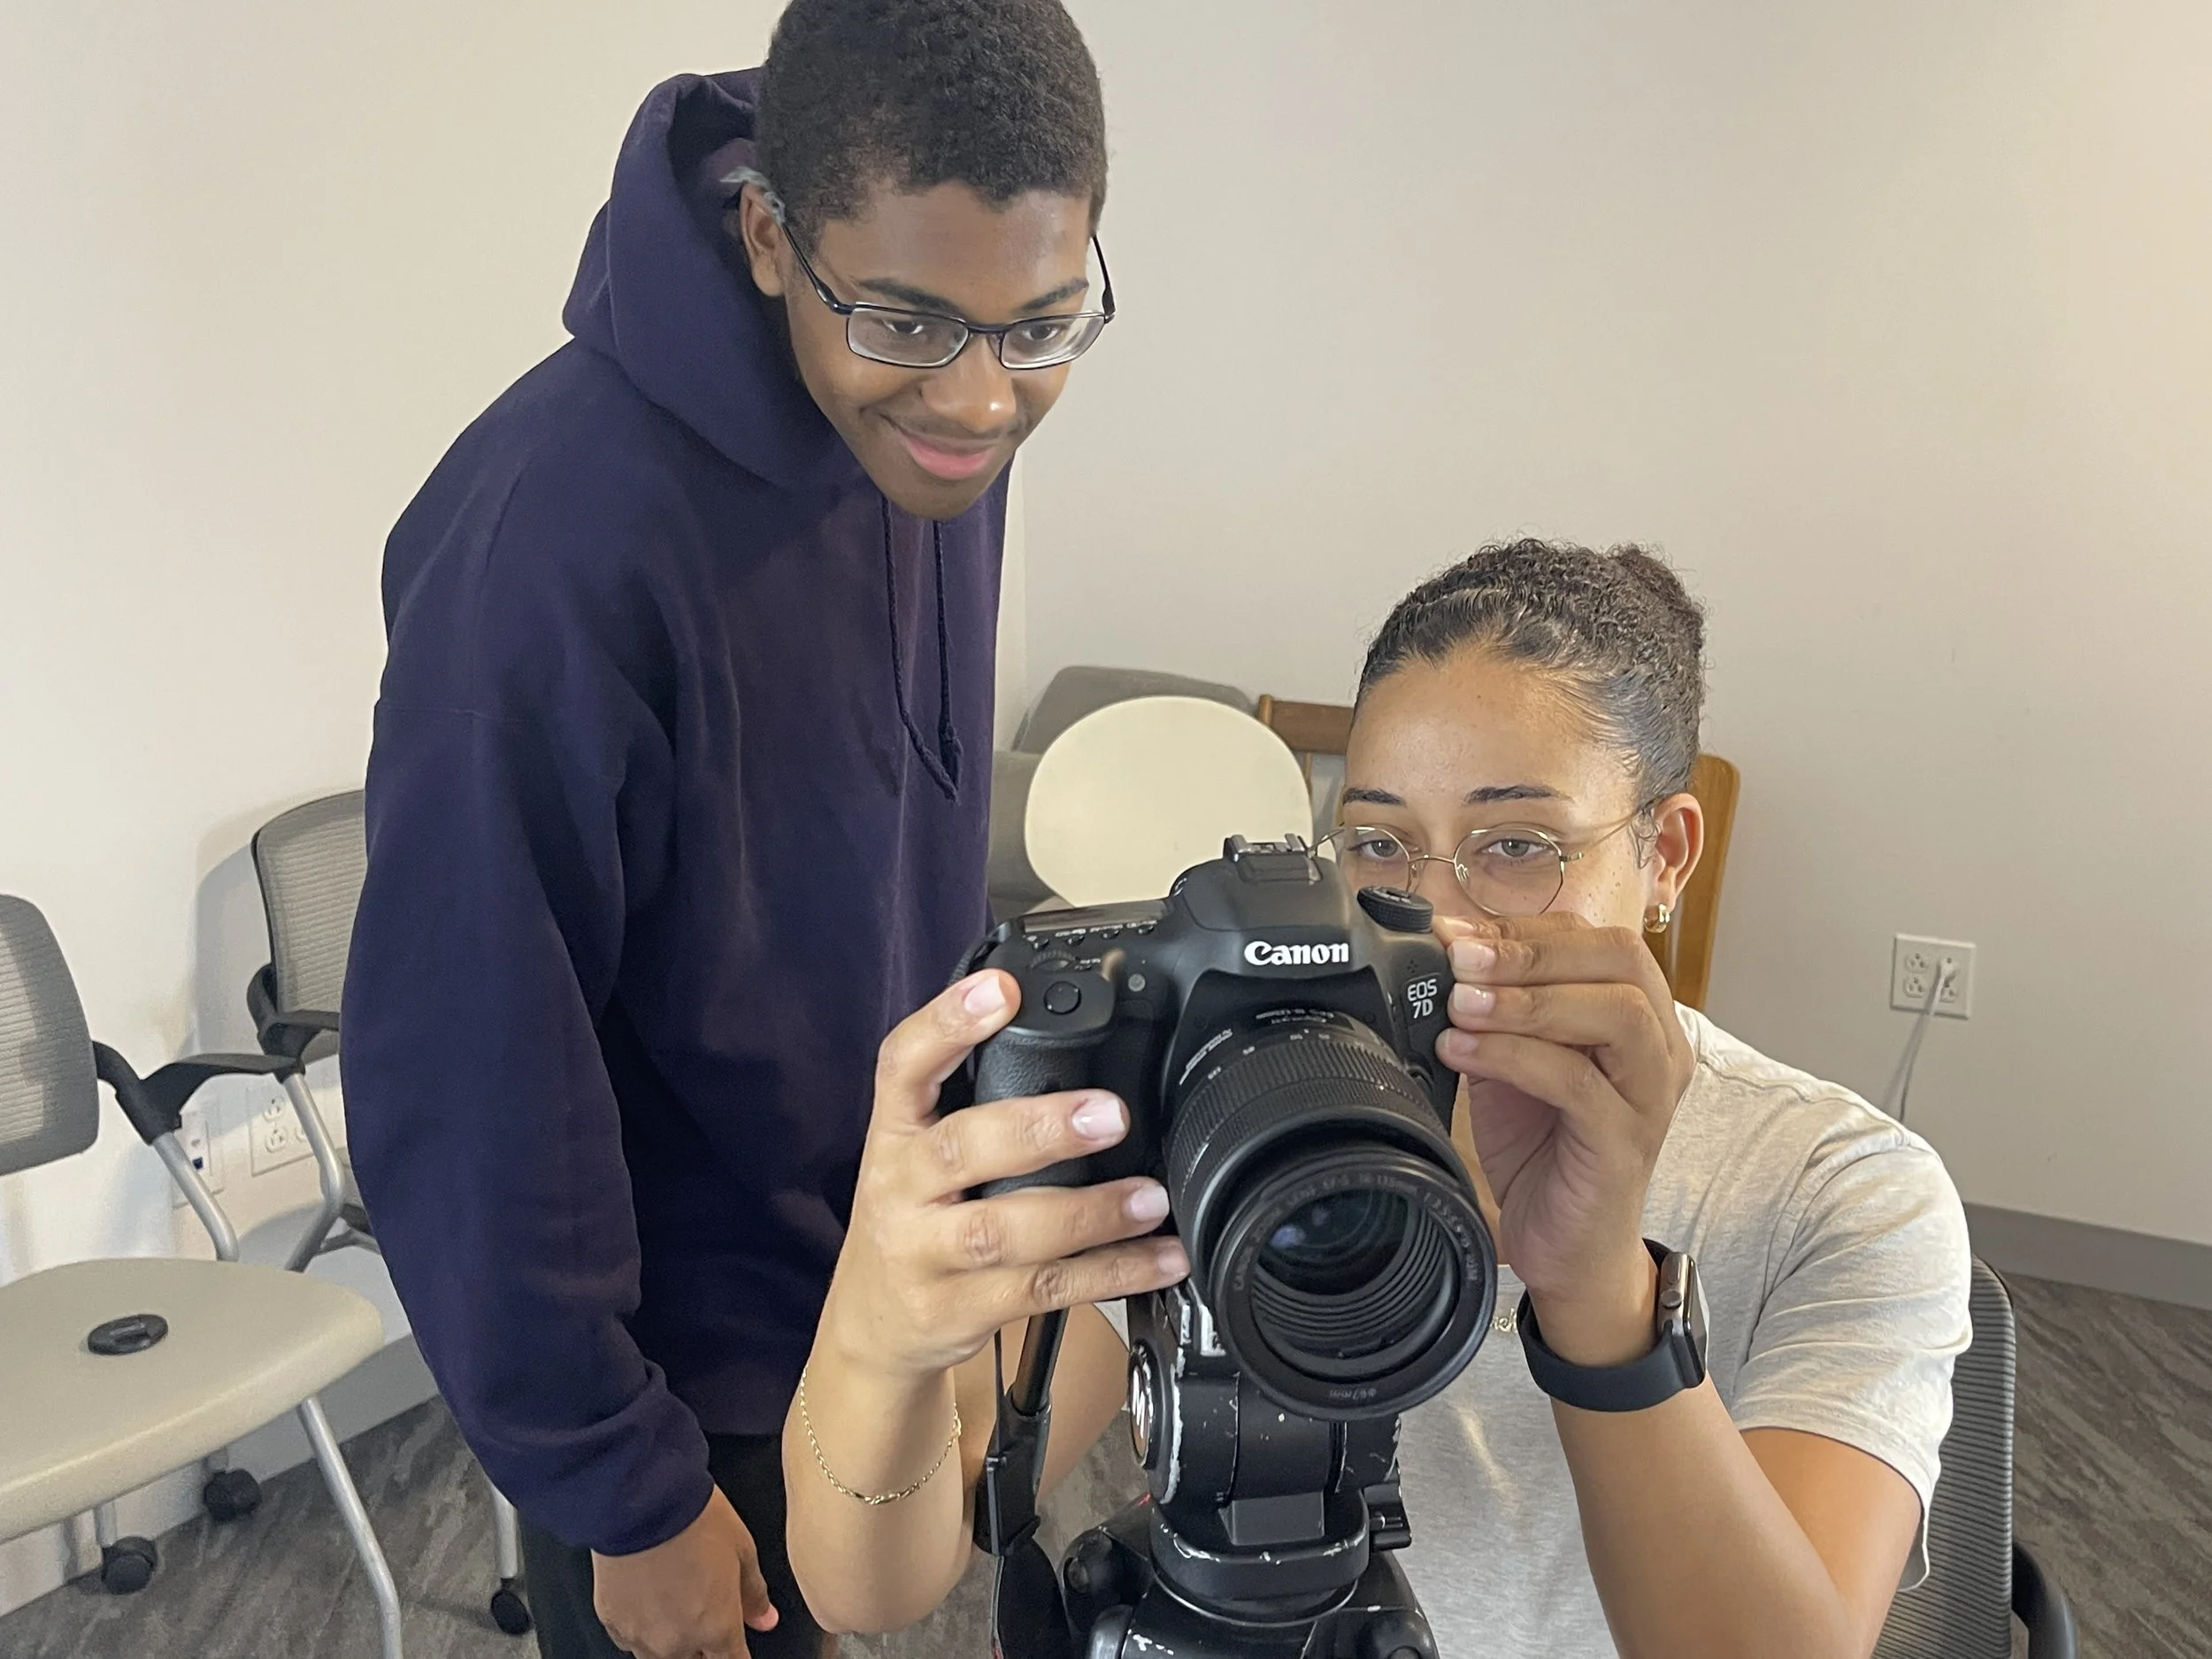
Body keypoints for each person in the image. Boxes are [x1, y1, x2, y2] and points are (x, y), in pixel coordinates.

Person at [786, 539, 1974, 1658]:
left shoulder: (1842, 1185)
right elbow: (873, 1584)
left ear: (1665, 853)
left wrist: (1600, 1289)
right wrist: (882, 1309)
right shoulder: (1233, 1099)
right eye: (1380, 845)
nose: (1446, 916)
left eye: (1517, 845)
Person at [341, 4, 1129, 1657]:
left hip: (873, 1302)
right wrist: (620, 1484)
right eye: (916, 320)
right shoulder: (543, 546)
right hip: (688, 1401)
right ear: (772, 235)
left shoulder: (922, 430)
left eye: (1044, 323)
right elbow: (467, 1064)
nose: (986, 402)